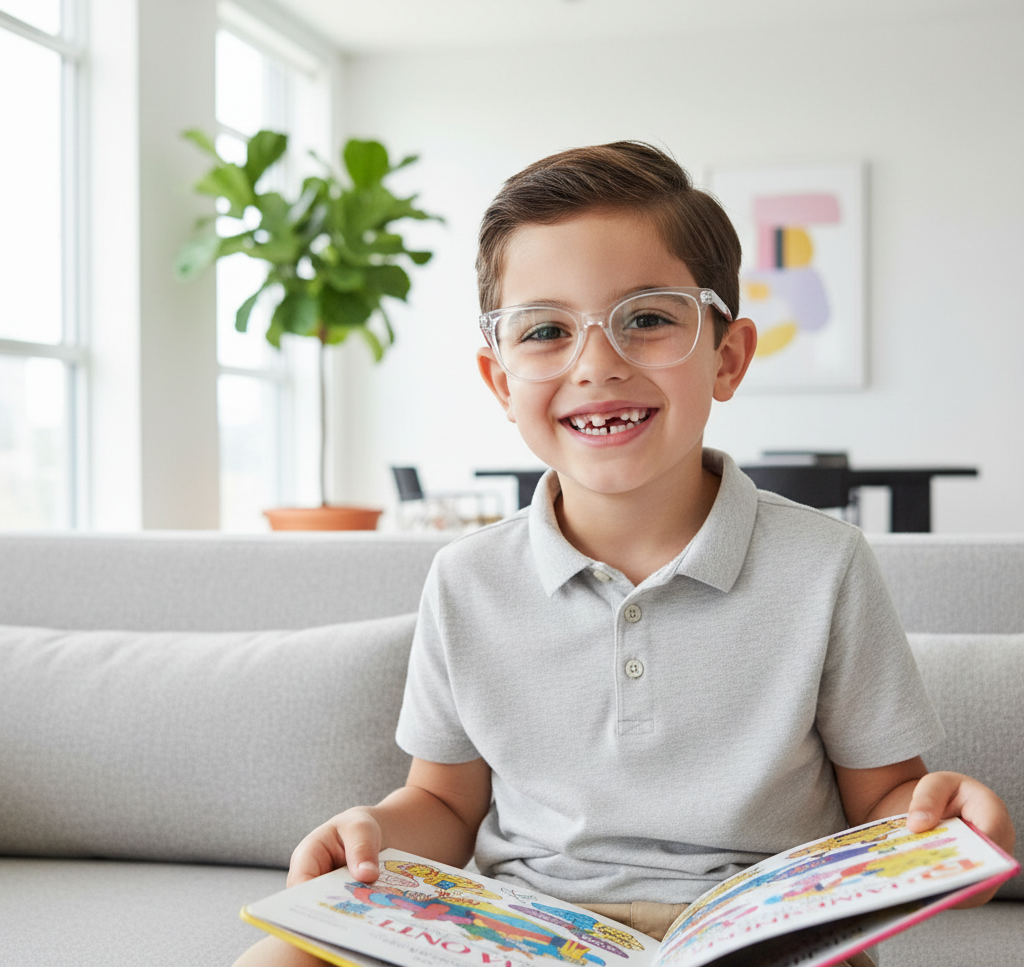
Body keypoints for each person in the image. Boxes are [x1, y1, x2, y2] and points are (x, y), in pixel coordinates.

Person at [234, 142, 1014, 967]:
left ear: (727, 357)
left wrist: (940, 826)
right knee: (282, 957)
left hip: (760, 934)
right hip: (525, 932)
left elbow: (883, 798)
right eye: (545, 331)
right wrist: (373, 831)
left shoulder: (827, 564)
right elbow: (445, 805)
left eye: (646, 319)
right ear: (501, 382)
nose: (597, 365)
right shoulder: (467, 579)